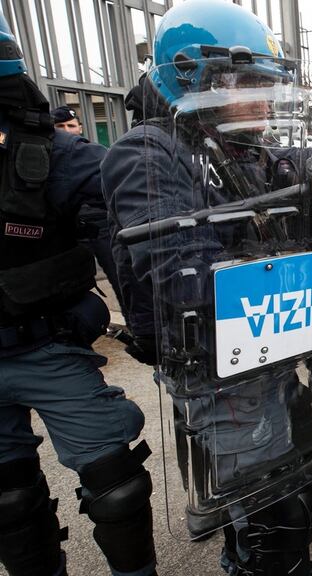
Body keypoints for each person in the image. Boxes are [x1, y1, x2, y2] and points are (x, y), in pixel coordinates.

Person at [102, 1, 312, 573]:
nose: (267, 100)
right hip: (216, 369)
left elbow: (304, 227)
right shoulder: (147, 152)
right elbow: (181, 276)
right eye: (253, 84)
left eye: (271, 85)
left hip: (271, 346)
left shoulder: (246, 150)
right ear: (197, 78)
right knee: (275, 517)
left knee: (272, 491)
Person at [0, 7, 156, 576]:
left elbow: (123, 234)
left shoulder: (57, 156)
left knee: (116, 486)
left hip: (49, 345)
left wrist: (147, 326)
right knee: (9, 498)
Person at [51, 105, 126, 316]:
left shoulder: (89, 154)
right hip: (70, 230)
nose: (66, 130)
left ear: (80, 128)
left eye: (71, 125)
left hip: (100, 225)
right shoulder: (49, 156)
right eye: (60, 125)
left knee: (119, 278)